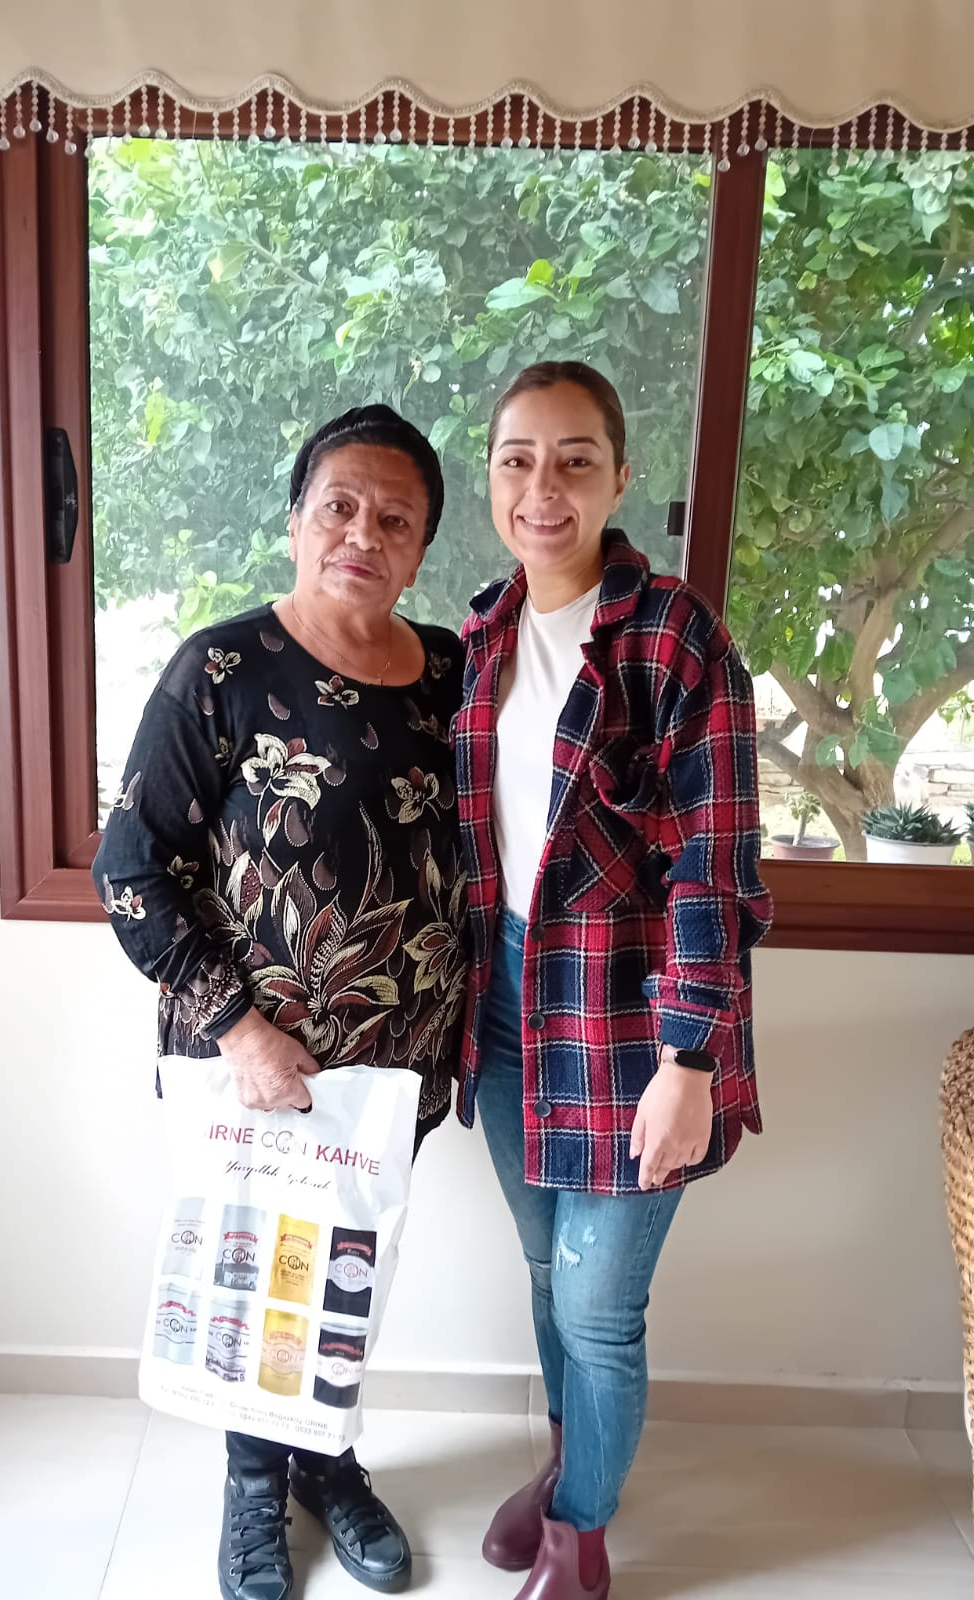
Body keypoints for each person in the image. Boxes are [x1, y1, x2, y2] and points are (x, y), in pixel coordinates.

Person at [93, 405, 468, 1600]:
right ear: (297, 520)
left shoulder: (452, 673)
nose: (364, 533)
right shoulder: (221, 669)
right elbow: (131, 868)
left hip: (395, 1069)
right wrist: (240, 1030)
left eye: (395, 518)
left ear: (421, 548)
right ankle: (254, 1490)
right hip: (255, 1060)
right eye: (339, 506)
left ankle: (326, 1460)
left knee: (347, 1275)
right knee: (261, 1280)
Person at [453, 362, 772, 1600]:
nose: (545, 487)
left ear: (620, 477)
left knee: (597, 1306)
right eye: (519, 459)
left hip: (638, 1021)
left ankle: (580, 1536)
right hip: (507, 1005)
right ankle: (567, 1463)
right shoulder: (482, 633)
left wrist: (690, 1059)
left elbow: (716, 870)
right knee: (545, 1271)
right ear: (491, 477)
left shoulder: (676, 637)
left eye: (575, 459)